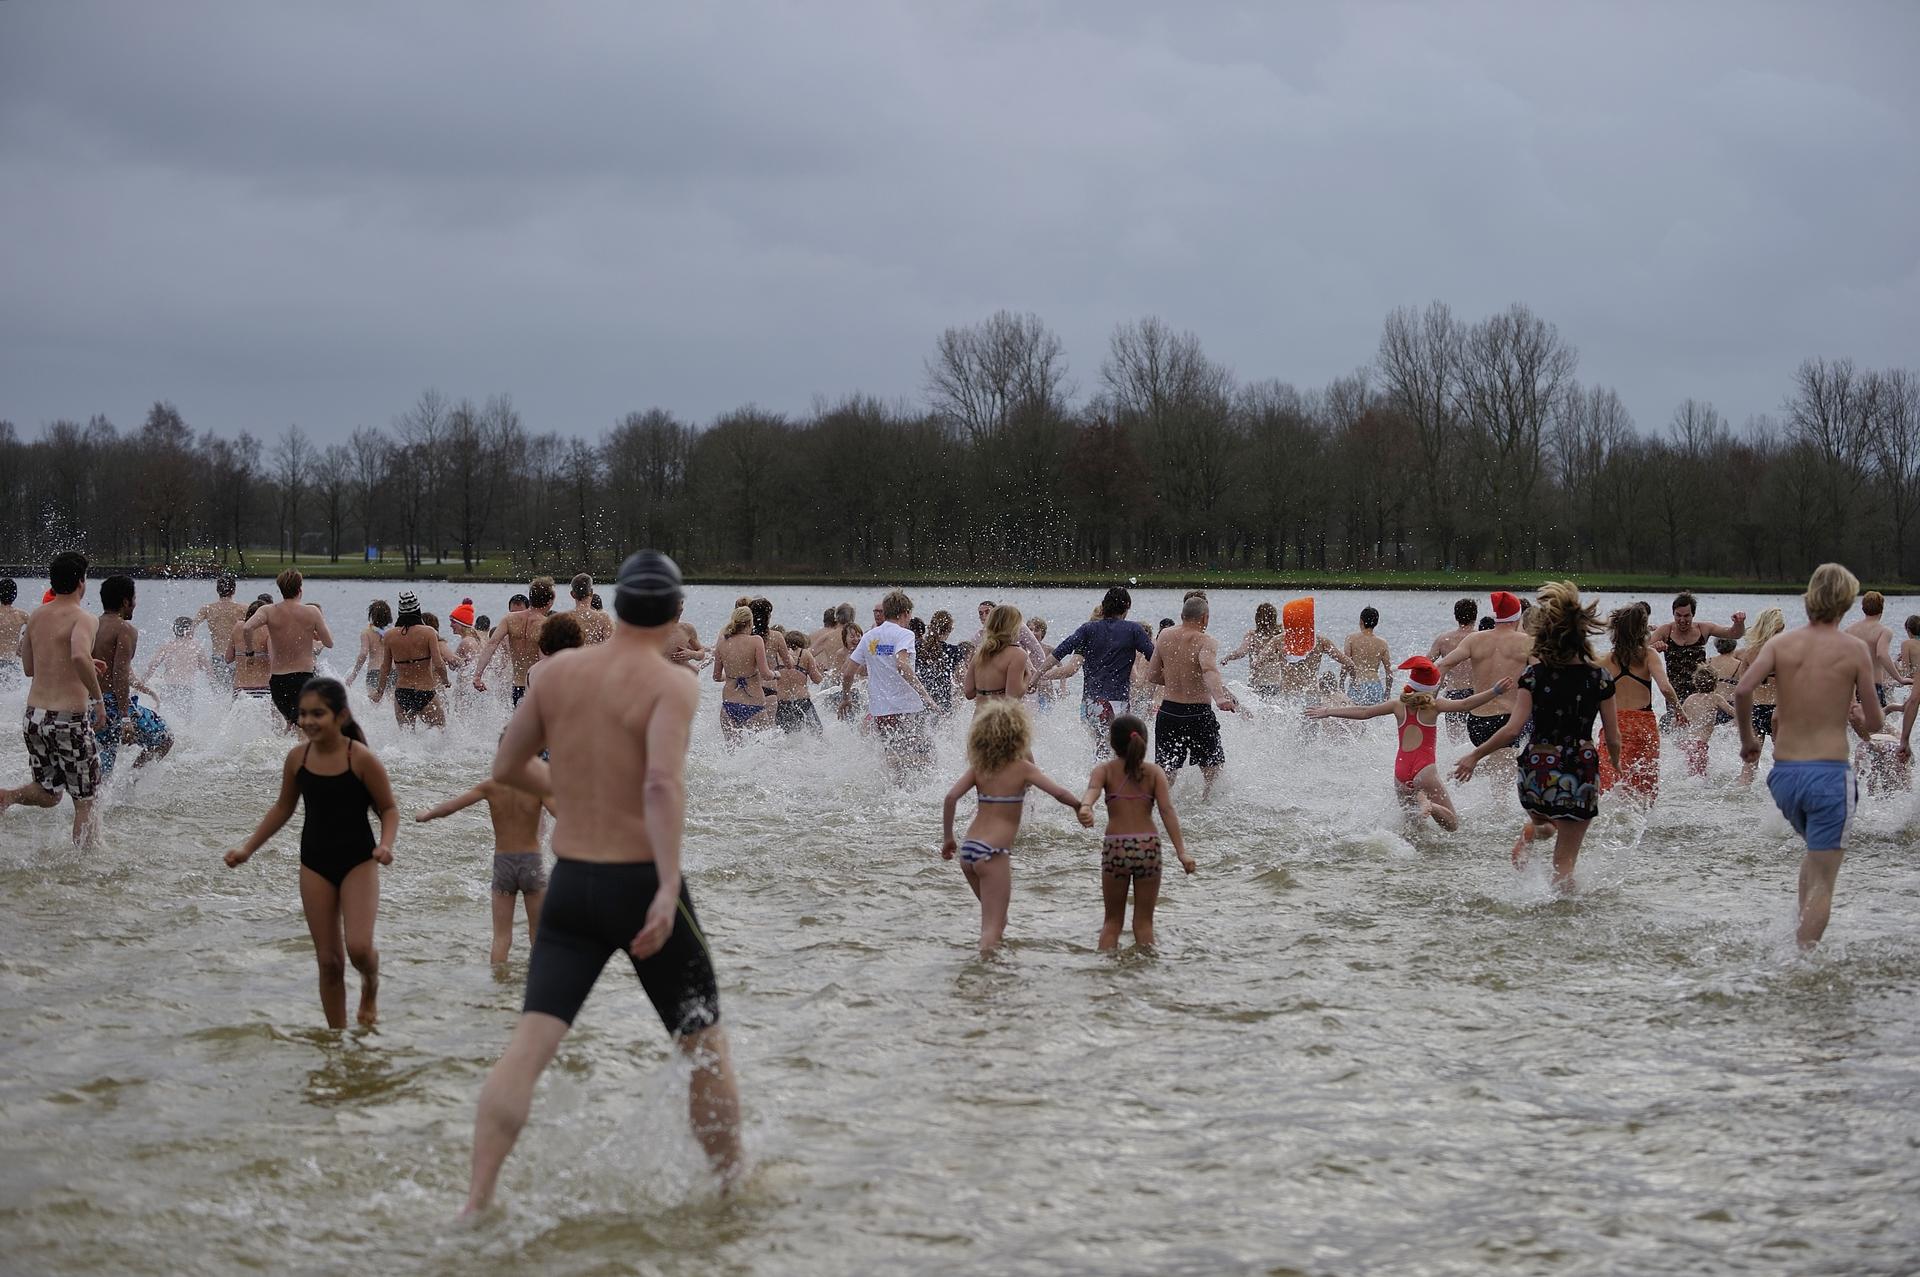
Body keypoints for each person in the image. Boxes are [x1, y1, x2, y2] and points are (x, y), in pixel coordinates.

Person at [463, 550, 743, 1215]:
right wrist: (669, 886)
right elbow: (661, 783)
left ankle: (475, 1201)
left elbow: (508, 761)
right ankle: (733, 1194)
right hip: (641, 882)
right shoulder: (673, 683)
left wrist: (571, 787)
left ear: (615, 609)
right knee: (705, 1047)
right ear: (677, 615)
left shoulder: (558, 672)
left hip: (572, 884)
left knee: (527, 1047)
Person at [224, 677, 398, 1027]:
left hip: (359, 861)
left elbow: (389, 809)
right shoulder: (296, 759)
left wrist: (385, 844)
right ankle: (336, 1043)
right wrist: (248, 848)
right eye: (302, 714)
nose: (307, 722)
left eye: (318, 713)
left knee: (359, 949)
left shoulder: (359, 758)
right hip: (315, 862)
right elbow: (282, 809)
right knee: (328, 962)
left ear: (341, 715)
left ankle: (370, 985)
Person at [1737, 564, 1882, 950]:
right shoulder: (1854, 649)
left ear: (1809, 597)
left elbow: (1742, 690)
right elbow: (1876, 719)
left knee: (1814, 857)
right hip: (1830, 775)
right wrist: (1858, 716)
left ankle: (1795, 937)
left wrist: (1749, 740)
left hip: (1785, 778)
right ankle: (1802, 962)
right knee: (1825, 880)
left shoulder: (1780, 645)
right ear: (1846, 603)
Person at [1454, 582, 1621, 891]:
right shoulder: (1600, 678)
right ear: (1582, 634)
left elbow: (1512, 730)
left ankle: (1536, 828)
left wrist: (1474, 756)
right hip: (1579, 768)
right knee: (1565, 863)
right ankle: (1563, 917)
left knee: (1549, 819)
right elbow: (1612, 736)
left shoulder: (1534, 676)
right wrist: (1617, 765)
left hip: (1537, 770)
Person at [940, 700, 1093, 953]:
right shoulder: (1022, 768)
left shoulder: (979, 768)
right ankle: (986, 982)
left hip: (968, 852)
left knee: (995, 919)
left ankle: (993, 971)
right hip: (993, 852)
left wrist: (948, 839)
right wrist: (1079, 807)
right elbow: (1058, 793)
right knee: (993, 926)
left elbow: (950, 798)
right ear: (1019, 734)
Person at [1307, 657, 1511, 831]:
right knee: (1452, 824)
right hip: (1425, 770)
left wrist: (1329, 711)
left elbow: (1364, 712)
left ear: (1412, 683)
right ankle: (1431, 805)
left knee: (1413, 830)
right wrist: (1495, 691)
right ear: (1432, 687)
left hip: (1401, 771)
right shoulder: (1435, 706)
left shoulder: (1398, 705)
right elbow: (1467, 704)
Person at [0, 552, 107, 845]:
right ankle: (87, 869)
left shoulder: (36, 615)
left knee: (49, 793)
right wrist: (97, 700)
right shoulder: (84, 618)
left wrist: (85, 663)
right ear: (81, 583)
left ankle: (7, 796)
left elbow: (29, 668)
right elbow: (76, 654)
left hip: (35, 717)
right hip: (68, 720)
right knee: (87, 800)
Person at [415, 767, 557, 964]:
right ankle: (538, 985)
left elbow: (450, 808)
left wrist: (427, 815)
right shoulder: (536, 787)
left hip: (504, 863)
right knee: (537, 933)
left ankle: (499, 988)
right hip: (531, 861)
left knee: (501, 937)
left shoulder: (491, 786)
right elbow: (562, 814)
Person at [1080, 713, 1192, 949]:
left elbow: (1092, 791)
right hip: (1148, 847)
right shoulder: (1154, 773)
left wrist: (1086, 807)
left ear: (1112, 743)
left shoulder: (1105, 770)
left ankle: (1106, 975)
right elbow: (1167, 811)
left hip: (1116, 848)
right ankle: (1145, 979)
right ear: (1144, 741)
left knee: (1112, 923)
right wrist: (1182, 852)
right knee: (1144, 925)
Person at [1146, 594, 1239, 799]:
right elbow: (1208, 670)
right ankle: (1206, 805)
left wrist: (1174, 680)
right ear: (1205, 618)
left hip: (1168, 712)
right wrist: (1220, 699)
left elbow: (1152, 674)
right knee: (1213, 771)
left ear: (1182, 615)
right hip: (1197, 714)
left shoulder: (1164, 635)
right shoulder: (1207, 641)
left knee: (1166, 772)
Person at [1043, 586, 1156, 752]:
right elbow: (1148, 664)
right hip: (1116, 702)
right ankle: (1111, 774)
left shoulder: (1087, 632)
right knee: (1115, 749)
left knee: (1099, 746)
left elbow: (1069, 667)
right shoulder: (1128, 633)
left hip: (1090, 703)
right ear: (1126, 608)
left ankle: (1096, 774)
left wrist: (1041, 674)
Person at [843, 590, 938, 780]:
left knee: (892, 754)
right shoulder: (905, 634)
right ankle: (915, 794)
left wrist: (846, 698)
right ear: (905, 613)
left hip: (881, 710)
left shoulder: (870, 637)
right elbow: (901, 664)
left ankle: (894, 792)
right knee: (927, 755)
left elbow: (848, 673)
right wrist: (926, 696)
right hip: (907, 707)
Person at [1435, 591, 1534, 757]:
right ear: (1518, 617)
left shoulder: (1474, 639)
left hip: (1477, 722)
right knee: (1505, 770)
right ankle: (1469, 767)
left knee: (1496, 763)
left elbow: (1442, 665)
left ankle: (1469, 768)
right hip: (1507, 721)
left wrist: (1429, 698)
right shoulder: (1527, 642)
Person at [92, 575, 173, 775]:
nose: (134, 605)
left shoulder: (90, 625)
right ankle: (129, 783)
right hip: (113, 706)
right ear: (126, 601)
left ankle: (101, 801)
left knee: (105, 764)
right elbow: (119, 673)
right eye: (134, 599)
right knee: (165, 738)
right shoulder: (125, 629)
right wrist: (126, 717)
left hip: (90, 704)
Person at [1597, 604, 1678, 804]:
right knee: (1644, 786)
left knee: (1610, 784)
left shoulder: (1606, 659)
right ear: (1642, 629)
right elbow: (1666, 689)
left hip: (1614, 725)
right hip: (1643, 725)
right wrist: (1680, 710)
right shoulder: (1649, 655)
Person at [243, 569, 334, 727]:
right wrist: (314, 631)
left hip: (278, 680)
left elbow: (247, 628)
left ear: (280, 589)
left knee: (291, 725)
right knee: (302, 728)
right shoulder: (311, 612)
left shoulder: (267, 611)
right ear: (300, 589)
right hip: (303, 678)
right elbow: (329, 643)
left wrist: (250, 653)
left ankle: (283, 751)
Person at [1651, 593, 1747, 720]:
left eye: (1686, 616)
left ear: (1693, 615)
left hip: (1700, 691)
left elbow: (1734, 634)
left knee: (1699, 728)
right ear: (1673, 613)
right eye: (1678, 615)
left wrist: (1739, 623)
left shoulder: (1703, 628)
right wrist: (1654, 647)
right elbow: (1641, 651)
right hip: (1675, 692)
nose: (1682, 620)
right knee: (1677, 728)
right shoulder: (1665, 630)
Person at [472, 576, 555, 706]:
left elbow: (491, 644)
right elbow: (545, 658)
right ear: (550, 601)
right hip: (538, 686)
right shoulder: (548, 624)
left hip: (517, 686)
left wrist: (477, 675)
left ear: (531, 597)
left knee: (518, 723)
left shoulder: (509, 619)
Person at [372, 592, 450, 728]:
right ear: (417, 610)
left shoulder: (390, 635)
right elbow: (438, 663)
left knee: (406, 737)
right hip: (425, 690)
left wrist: (380, 691)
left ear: (400, 612)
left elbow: (385, 667)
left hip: (402, 692)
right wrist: (445, 680)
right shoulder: (429, 633)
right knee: (440, 729)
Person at [1735, 608, 1785, 783]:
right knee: (1784, 761)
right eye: (1780, 629)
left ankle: (1741, 798)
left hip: (1755, 709)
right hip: (1778, 710)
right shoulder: (1783, 651)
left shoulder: (1750, 652)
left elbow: (1742, 686)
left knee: (1749, 765)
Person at [712, 605, 774, 740]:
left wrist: (730, 677)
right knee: (762, 752)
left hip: (729, 705)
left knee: (731, 753)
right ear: (750, 623)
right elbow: (765, 674)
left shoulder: (722, 641)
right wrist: (776, 674)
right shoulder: (756, 640)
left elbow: (716, 677)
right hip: (754, 704)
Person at [1842, 590, 1907, 706]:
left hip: (1851, 688)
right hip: (1873, 686)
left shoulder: (1849, 630)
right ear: (1881, 609)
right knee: (1879, 722)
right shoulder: (1883, 631)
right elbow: (1881, 654)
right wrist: (1899, 678)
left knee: (1855, 723)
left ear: (1863, 608)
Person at [1427, 598, 1479, 742]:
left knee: (1455, 742)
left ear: (1456, 616)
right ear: (1475, 616)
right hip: (1477, 694)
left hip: (1453, 694)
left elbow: (1426, 665)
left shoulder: (1443, 639)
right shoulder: (1481, 638)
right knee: (1474, 741)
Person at [965, 604, 1032, 706]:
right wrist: (1028, 677)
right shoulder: (1017, 654)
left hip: (979, 718)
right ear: (1013, 627)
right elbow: (1012, 699)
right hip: (1000, 718)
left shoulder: (980, 653)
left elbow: (969, 693)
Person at [193, 572, 248, 689]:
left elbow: (191, 628)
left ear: (217, 590)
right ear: (233, 591)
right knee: (236, 691)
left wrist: (194, 653)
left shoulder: (208, 609)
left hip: (217, 656)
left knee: (219, 692)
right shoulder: (243, 609)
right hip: (236, 656)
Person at [1221, 603, 1287, 700]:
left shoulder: (1252, 636)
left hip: (1257, 684)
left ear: (1257, 618)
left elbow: (1241, 652)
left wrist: (1227, 657)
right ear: (1274, 617)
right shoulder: (1280, 636)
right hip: (1276, 684)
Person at [1678, 668, 1737, 777]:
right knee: (1700, 777)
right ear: (1715, 683)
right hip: (1700, 745)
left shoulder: (1690, 698)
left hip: (1687, 743)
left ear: (1695, 683)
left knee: (1691, 775)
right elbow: (1735, 713)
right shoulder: (1716, 698)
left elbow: (1679, 720)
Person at [143, 615, 212, 697]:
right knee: (185, 709)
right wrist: (214, 688)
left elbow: (152, 666)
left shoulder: (167, 647)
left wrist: (140, 685)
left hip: (168, 687)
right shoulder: (196, 648)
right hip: (187, 689)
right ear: (189, 630)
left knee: (165, 709)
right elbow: (208, 670)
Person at [775, 630, 825, 734]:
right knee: (817, 733)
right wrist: (821, 673)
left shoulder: (777, 655)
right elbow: (817, 679)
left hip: (782, 702)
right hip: (802, 701)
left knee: (785, 737)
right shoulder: (805, 654)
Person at [915, 610, 963, 715]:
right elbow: (962, 679)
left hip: (920, 702)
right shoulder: (953, 651)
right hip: (943, 703)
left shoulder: (917, 647)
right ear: (949, 630)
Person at [227, 598, 275, 701]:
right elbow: (273, 661)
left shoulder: (238, 627)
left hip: (240, 689)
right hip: (263, 688)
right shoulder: (268, 629)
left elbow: (228, 658)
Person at [345, 599, 393, 698]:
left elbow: (363, 654)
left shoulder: (367, 633)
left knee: (374, 705)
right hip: (391, 671)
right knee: (391, 703)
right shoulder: (394, 632)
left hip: (374, 672)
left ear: (372, 615)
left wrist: (354, 674)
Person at [568, 573, 613, 645]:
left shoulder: (564, 618)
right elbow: (611, 647)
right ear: (591, 592)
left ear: (572, 594)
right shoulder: (603, 618)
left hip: (572, 656)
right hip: (596, 656)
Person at [0, 577, 30, 679]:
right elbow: (37, 630)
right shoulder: (22, 615)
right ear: (15, 595)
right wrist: (23, 643)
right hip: (11, 664)